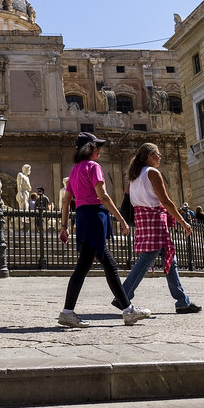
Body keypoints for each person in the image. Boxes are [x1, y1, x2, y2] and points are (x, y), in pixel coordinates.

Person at [57, 132, 142, 328]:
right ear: (89, 149)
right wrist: (121, 219)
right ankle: (68, 312)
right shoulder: (94, 167)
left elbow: (66, 200)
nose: (99, 150)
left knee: (99, 264)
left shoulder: (75, 170)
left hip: (83, 216)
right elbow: (103, 196)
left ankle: (127, 310)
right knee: (98, 265)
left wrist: (64, 226)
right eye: (97, 146)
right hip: (95, 216)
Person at [119, 143, 200, 315]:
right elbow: (165, 201)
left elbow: (128, 198)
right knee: (148, 257)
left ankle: (182, 301)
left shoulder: (133, 177)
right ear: (149, 156)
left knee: (170, 258)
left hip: (143, 219)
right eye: (157, 154)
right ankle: (123, 295)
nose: (160, 157)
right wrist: (183, 222)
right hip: (155, 219)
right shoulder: (152, 173)